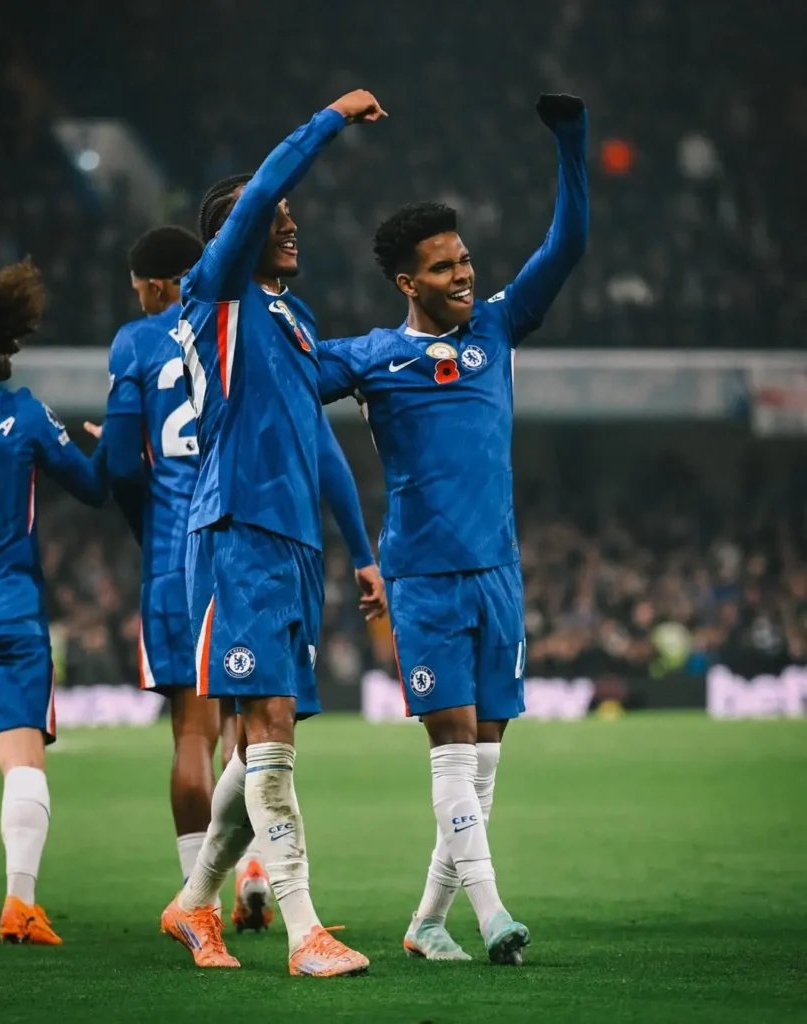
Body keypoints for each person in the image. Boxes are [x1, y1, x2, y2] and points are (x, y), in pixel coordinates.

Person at [318, 94, 589, 964]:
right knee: (449, 757)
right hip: (424, 581)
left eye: (465, 260)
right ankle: (492, 915)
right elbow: (284, 378)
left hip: (498, 575)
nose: (463, 275)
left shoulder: (498, 329)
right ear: (408, 281)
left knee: (483, 769)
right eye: (443, 267)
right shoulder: (371, 357)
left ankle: (427, 920)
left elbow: (569, 245)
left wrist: (570, 141)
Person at [99, 225, 385, 935]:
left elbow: (122, 467)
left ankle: (201, 898)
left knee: (196, 734)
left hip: (184, 548)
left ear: (159, 285)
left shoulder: (142, 341)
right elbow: (324, 454)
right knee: (257, 727)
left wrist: (136, 516)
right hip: (264, 535)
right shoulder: (260, 327)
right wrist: (360, 548)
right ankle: (250, 875)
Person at [160, 89, 388, 975]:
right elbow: (256, 198)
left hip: (294, 544)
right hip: (237, 529)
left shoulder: (291, 322)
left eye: (294, 219)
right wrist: (327, 120)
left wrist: (362, 552)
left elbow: (323, 441)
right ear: (237, 232)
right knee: (270, 725)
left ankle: (191, 905)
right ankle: (303, 933)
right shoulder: (211, 297)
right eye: (277, 218)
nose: (290, 228)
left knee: (265, 734)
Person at [0, 260, 107, 944]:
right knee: (21, 760)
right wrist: (115, 439)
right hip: (6, 611)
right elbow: (91, 487)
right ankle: (19, 904)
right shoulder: (22, 415)